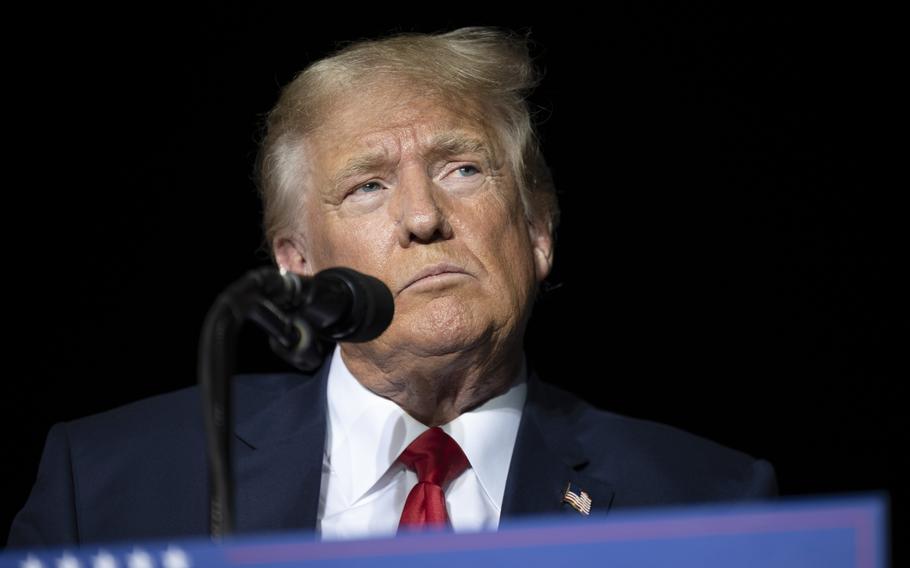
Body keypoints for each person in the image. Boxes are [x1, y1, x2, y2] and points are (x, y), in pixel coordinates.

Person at [7, 27, 776, 547]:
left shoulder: (711, 505)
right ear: (296, 265)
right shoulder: (107, 482)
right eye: (368, 186)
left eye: (463, 169)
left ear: (538, 232)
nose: (421, 216)